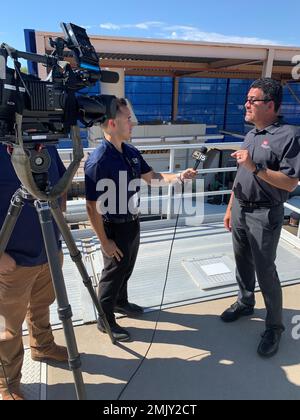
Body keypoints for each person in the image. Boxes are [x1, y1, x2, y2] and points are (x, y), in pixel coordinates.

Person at [85, 98, 197, 342]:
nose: (133, 123)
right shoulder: (99, 160)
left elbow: (152, 177)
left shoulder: (131, 152)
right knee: (113, 273)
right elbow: (91, 206)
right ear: (113, 124)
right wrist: (104, 242)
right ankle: (105, 320)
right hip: (112, 226)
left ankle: (120, 302)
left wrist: (178, 176)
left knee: (127, 267)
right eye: (128, 118)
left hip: (132, 222)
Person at [221, 78, 300, 358]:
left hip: (264, 213)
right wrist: (231, 207)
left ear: (269, 104)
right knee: (241, 261)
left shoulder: (289, 135)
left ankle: (274, 326)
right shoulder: (252, 134)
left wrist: (255, 167)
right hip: (241, 207)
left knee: (265, 270)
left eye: (252, 100)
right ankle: (245, 302)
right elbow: (241, 175)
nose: (246, 104)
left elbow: (290, 183)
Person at [0, 144, 69, 400]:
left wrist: (59, 233)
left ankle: (42, 345)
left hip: (48, 250)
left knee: (42, 304)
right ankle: (7, 383)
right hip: (12, 261)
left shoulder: (44, 145)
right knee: (8, 327)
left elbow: (60, 183)